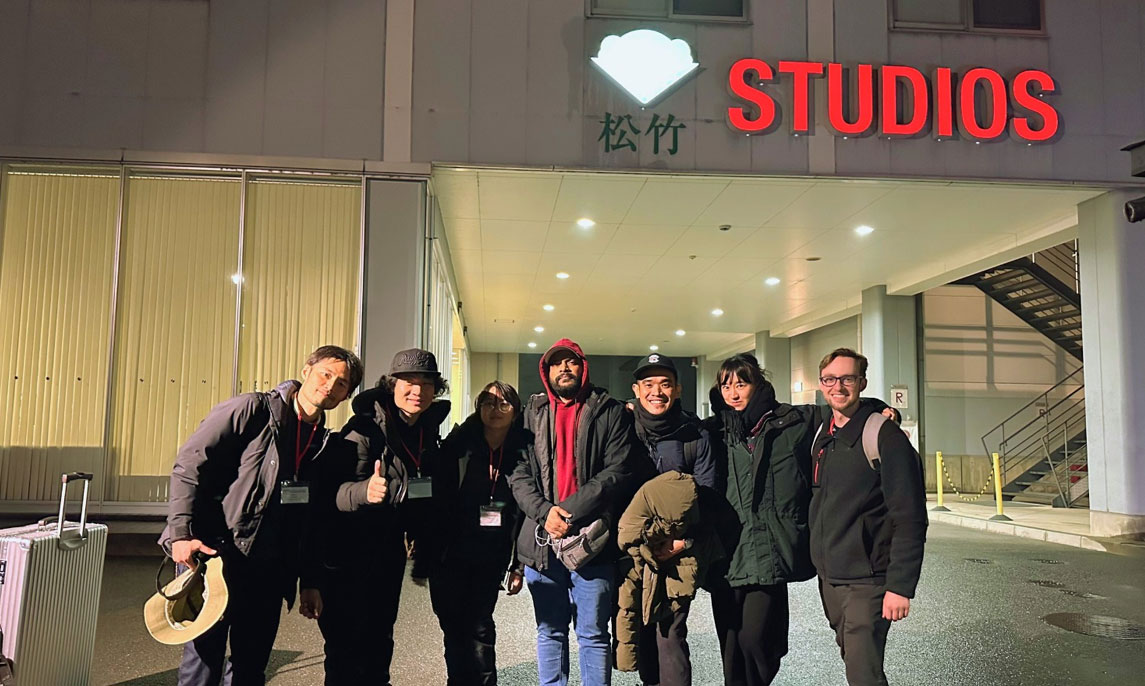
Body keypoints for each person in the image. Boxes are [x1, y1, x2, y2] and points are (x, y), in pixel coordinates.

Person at [160, 345, 363, 686]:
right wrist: (180, 533)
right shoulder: (251, 409)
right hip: (215, 556)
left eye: (341, 383)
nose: (329, 385)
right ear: (306, 370)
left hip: (270, 569)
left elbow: (312, 519)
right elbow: (189, 465)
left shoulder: (323, 443)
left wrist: (310, 581)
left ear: (346, 396)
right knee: (203, 661)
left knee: (251, 666)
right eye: (325, 374)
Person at [704, 352, 895, 686]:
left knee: (759, 643)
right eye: (726, 385)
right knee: (732, 647)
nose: (733, 392)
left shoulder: (794, 421)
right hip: (727, 552)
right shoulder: (713, 430)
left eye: (741, 384)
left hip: (771, 550)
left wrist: (880, 409)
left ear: (757, 384)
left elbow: (841, 408)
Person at [508, 338, 639, 686]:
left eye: (572, 362)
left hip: (593, 541)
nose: (564, 368)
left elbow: (617, 471)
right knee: (549, 630)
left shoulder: (609, 411)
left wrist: (566, 511)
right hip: (542, 541)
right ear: (546, 371)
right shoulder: (531, 413)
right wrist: (545, 512)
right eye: (557, 363)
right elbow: (518, 472)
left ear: (583, 368)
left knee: (593, 632)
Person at [322, 348, 451, 686]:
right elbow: (330, 494)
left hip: (387, 554)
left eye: (426, 384)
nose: (417, 391)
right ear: (392, 386)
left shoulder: (426, 432)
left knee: (380, 638)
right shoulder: (364, 430)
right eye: (409, 382)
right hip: (349, 554)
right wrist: (363, 491)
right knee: (346, 648)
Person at [811, 348, 927, 686]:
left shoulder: (885, 436)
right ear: (821, 384)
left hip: (869, 579)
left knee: (863, 672)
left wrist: (900, 587)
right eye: (830, 379)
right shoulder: (823, 434)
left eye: (847, 378)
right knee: (855, 659)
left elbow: (910, 516)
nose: (838, 386)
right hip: (831, 577)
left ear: (862, 382)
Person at [424, 380, 529, 685]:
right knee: (453, 626)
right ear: (478, 407)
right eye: (488, 402)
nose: (495, 409)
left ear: (515, 411)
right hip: (450, 553)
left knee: (481, 626)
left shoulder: (523, 451)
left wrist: (518, 564)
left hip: (491, 554)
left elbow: (522, 512)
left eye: (503, 404)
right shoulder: (458, 444)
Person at [623, 353, 717, 686]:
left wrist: (681, 543)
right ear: (636, 390)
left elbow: (707, 497)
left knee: (670, 632)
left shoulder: (694, 435)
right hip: (631, 552)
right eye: (648, 384)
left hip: (677, 554)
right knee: (637, 629)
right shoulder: (622, 428)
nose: (657, 392)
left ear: (677, 389)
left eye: (665, 384)